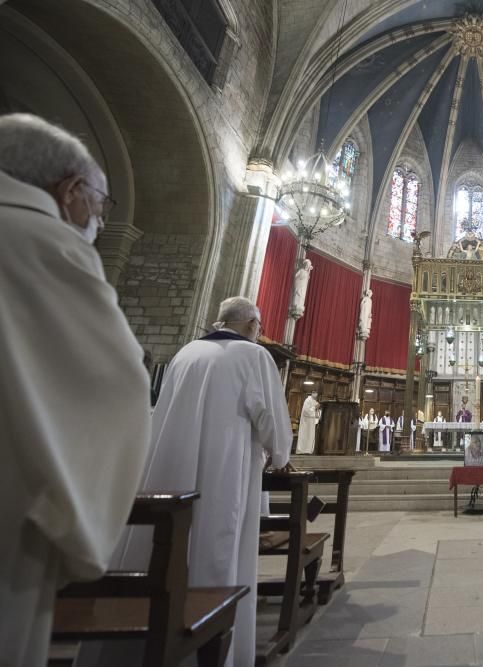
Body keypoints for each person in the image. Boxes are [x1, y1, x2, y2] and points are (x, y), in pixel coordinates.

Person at [0, 113, 151, 666]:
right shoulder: (49, 245)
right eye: (99, 204)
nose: (98, 221)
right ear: (70, 191)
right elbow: (117, 386)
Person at [82, 296, 293, 667]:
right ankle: (206, 647)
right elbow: (271, 420)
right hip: (223, 471)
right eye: (258, 326)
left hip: (168, 471)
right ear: (250, 326)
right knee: (216, 546)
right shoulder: (253, 356)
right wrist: (281, 458)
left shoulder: (185, 354)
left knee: (165, 549)